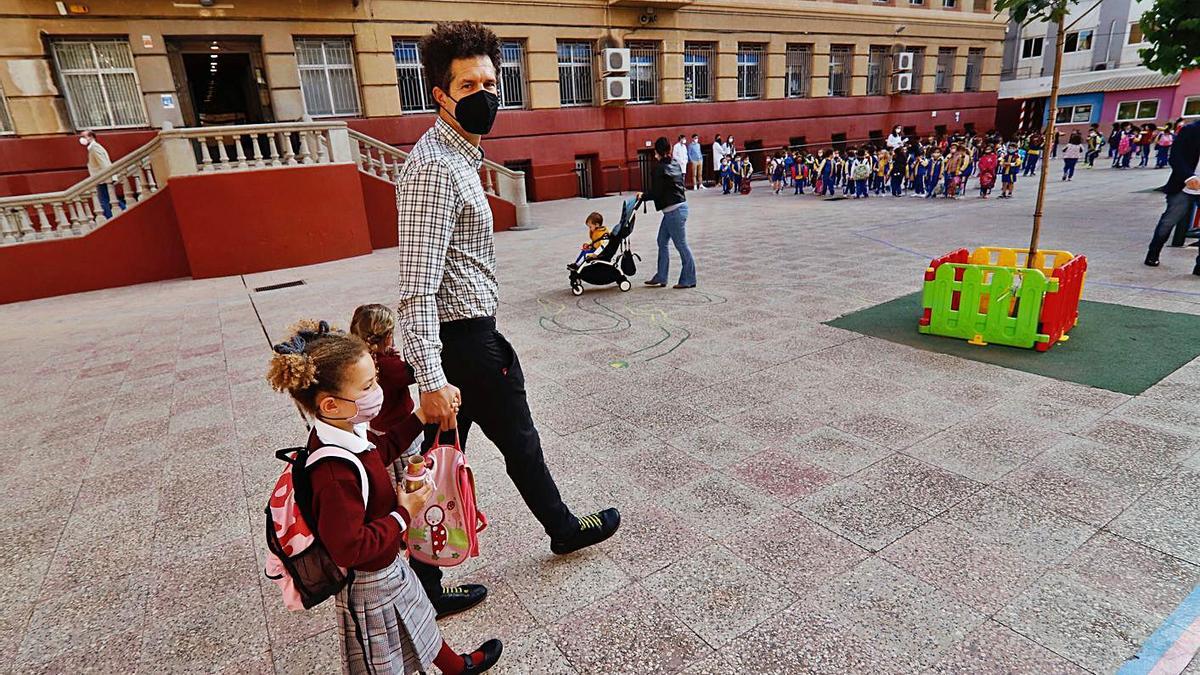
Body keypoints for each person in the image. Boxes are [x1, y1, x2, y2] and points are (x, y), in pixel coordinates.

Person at [394, 21, 621, 618]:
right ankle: (559, 529)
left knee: (446, 465)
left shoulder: (460, 157)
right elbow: (415, 287)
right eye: (467, 85)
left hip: (471, 335)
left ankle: (429, 587)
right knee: (497, 446)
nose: (484, 95)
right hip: (460, 344)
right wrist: (432, 377)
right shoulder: (433, 168)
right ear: (439, 94)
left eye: (490, 82)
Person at [266, 321, 503, 675]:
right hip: (369, 583)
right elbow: (349, 547)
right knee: (384, 661)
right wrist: (403, 514)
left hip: (386, 565)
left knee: (419, 616)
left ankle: (455, 667)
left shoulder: (344, 430)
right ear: (331, 404)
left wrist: (421, 417)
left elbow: (381, 450)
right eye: (368, 386)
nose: (378, 390)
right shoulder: (333, 474)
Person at [350, 304, 419, 475]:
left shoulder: (361, 360)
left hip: (377, 427)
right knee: (408, 473)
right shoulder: (390, 366)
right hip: (401, 429)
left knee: (391, 471)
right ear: (388, 337)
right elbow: (414, 373)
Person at [1145, 120, 1200, 273]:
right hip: (1184, 184)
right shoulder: (1191, 130)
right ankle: (1153, 253)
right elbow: (1175, 156)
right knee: (1169, 220)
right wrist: (1188, 177)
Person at [642, 136, 697, 289]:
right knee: (661, 241)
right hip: (677, 209)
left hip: (674, 212)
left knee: (681, 245)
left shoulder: (659, 168)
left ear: (657, 151)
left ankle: (688, 279)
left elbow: (657, 192)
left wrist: (643, 196)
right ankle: (661, 276)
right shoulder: (675, 163)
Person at [80, 130, 125, 219]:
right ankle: (122, 210)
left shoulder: (94, 148)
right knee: (108, 198)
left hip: (103, 179)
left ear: (91, 137)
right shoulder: (93, 148)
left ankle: (110, 217)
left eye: (84, 136)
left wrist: (108, 176)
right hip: (102, 179)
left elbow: (103, 163)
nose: (81, 139)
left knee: (104, 200)